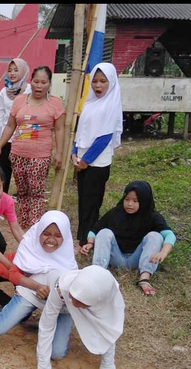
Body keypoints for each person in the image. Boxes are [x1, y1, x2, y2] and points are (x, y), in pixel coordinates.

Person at [30, 265, 134, 369]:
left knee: (56, 352)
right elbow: (47, 325)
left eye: (80, 302)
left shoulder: (109, 300)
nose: (74, 303)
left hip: (64, 309)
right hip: (35, 290)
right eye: (72, 297)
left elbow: (108, 329)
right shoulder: (63, 286)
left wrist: (109, 367)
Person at [0, 66, 65, 230]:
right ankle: (24, 223)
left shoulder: (54, 103)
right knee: (22, 190)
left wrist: (59, 153)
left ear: (49, 84)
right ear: (30, 82)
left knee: (36, 192)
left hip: (40, 155)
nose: (39, 86)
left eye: (43, 82)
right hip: (18, 153)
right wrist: (0, 145)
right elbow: (10, 126)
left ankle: (35, 226)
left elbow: (60, 129)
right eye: (36, 81)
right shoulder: (19, 100)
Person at [81, 181, 176, 296]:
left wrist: (163, 252)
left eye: (135, 201)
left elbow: (170, 235)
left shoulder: (152, 216)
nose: (130, 204)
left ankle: (144, 278)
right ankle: (97, 273)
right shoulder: (116, 213)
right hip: (117, 256)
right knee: (104, 232)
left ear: (144, 201)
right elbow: (95, 230)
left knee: (155, 236)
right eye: (127, 199)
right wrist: (90, 243)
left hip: (137, 258)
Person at [72, 62, 123, 247]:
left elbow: (104, 137)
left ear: (111, 83)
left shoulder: (111, 105)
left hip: (97, 163)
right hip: (82, 160)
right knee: (83, 202)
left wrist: (86, 160)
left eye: (103, 81)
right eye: (95, 81)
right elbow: (80, 130)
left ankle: (88, 240)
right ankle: (82, 237)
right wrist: (74, 151)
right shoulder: (90, 102)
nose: (98, 86)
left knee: (92, 204)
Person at [0, 58, 30, 193]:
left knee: (23, 174)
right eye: (9, 70)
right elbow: (0, 116)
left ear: (24, 71)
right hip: (5, 139)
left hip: (23, 138)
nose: (12, 73)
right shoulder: (4, 91)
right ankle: (0, 206)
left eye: (16, 70)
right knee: (2, 174)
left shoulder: (29, 90)